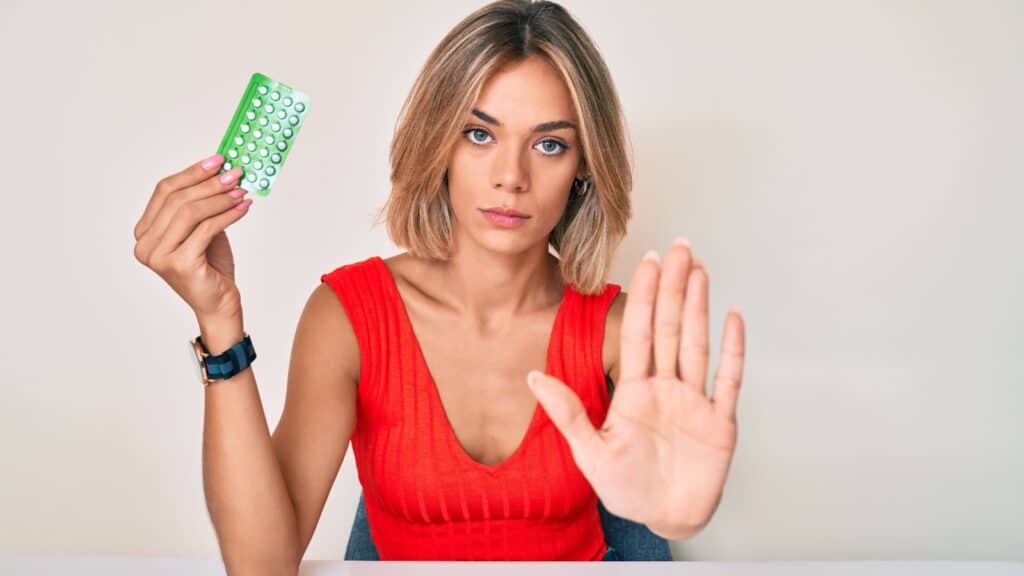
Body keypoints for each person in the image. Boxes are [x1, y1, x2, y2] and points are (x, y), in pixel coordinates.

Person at [133, 0, 746, 569]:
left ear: (584, 165)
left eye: (550, 144)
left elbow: (659, 505)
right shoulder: (348, 316)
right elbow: (261, 565)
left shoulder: (620, 331)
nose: (511, 176)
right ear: (439, 143)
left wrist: (671, 516)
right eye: (479, 134)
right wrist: (220, 324)